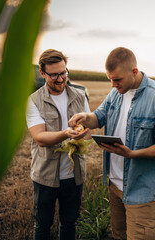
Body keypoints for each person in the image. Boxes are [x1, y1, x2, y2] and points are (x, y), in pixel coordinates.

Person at [69, 47, 155, 240]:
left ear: (134, 71)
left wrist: (131, 154)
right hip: (114, 186)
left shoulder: (153, 97)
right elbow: (97, 118)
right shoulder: (116, 93)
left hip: (140, 191)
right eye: (110, 79)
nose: (113, 85)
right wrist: (84, 117)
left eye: (117, 79)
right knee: (118, 235)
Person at [26, 49, 91, 240]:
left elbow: (88, 132)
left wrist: (83, 134)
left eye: (63, 73)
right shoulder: (34, 101)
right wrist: (65, 134)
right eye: (54, 75)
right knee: (43, 226)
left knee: (69, 224)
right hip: (45, 175)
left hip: (74, 174)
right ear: (42, 73)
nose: (61, 79)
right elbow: (39, 137)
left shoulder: (80, 95)